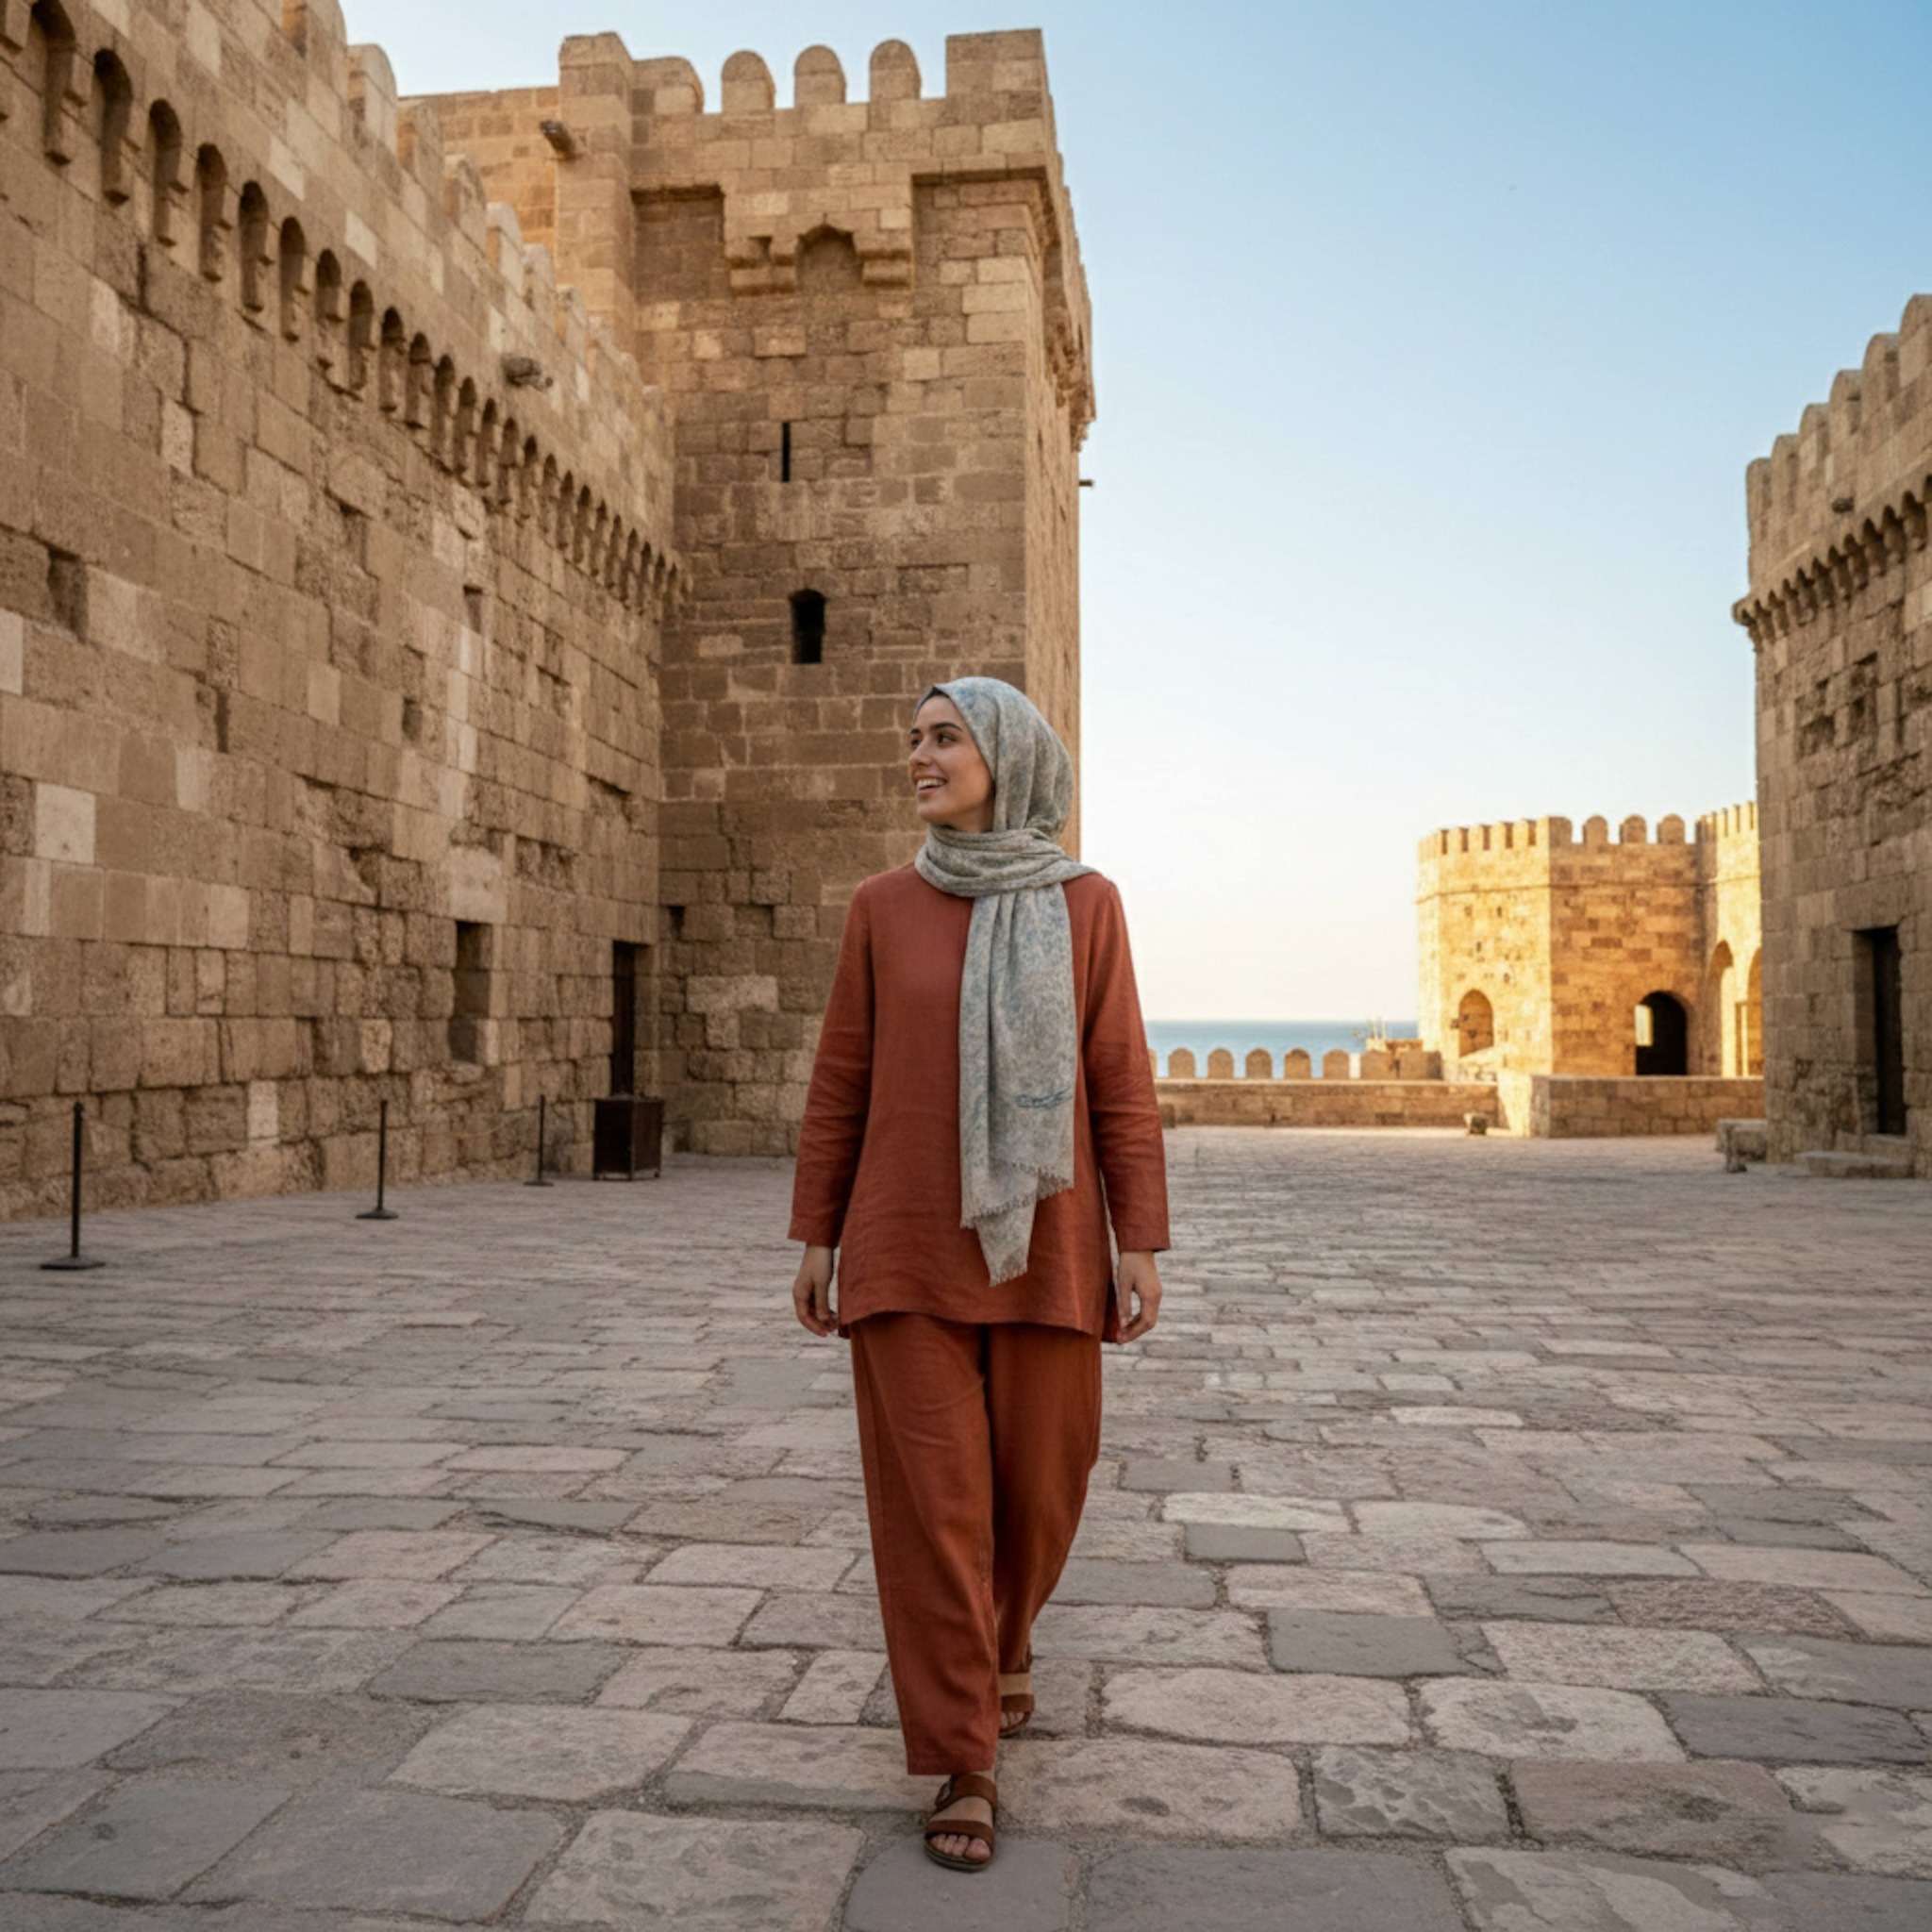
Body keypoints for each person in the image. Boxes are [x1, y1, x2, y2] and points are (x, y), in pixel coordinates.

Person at [788, 676, 1170, 1872]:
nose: (918, 753)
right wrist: (818, 1231)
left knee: (1042, 1487)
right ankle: (964, 1753)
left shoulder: (1086, 904)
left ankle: (1006, 1643)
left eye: (944, 736)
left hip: (1047, 1244)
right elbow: (840, 1075)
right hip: (901, 1239)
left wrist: (1138, 1238)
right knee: (934, 1508)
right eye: (911, 736)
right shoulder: (879, 906)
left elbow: (1118, 1076)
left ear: (1005, 754)